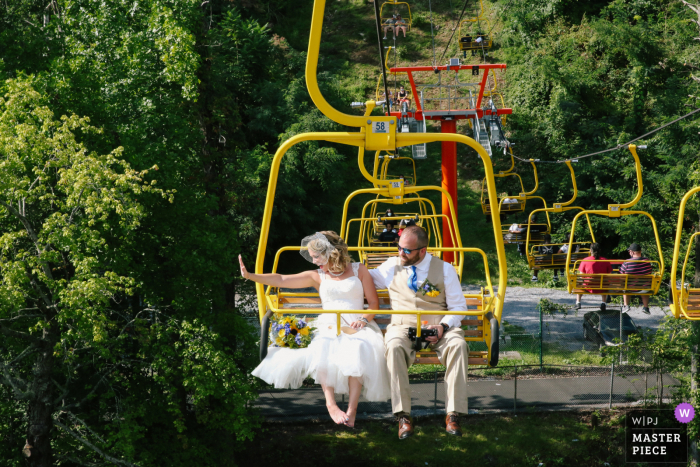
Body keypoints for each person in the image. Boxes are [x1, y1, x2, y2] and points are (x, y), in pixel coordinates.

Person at [241, 231, 390, 427]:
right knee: (323, 348)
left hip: (356, 324)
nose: (313, 261)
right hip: (329, 324)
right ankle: (331, 405)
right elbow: (282, 279)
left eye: (316, 256)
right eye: (312, 257)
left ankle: (352, 410)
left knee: (359, 349)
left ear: (330, 252)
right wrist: (251, 276)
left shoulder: (359, 269)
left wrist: (363, 319)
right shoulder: (317, 276)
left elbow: (373, 303)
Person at [369, 225, 469, 439]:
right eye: (399, 248)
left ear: (422, 251)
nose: (400, 253)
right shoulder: (391, 266)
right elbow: (362, 277)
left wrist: (443, 326)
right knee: (394, 346)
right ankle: (402, 415)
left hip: (437, 324)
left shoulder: (444, 269)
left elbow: (459, 307)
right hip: (403, 325)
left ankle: (453, 413)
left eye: (407, 250)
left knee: (458, 345)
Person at [575, 243, 612, 310]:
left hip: (589, 286)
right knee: (605, 283)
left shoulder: (585, 260)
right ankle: (603, 303)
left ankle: (578, 302)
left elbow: (581, 276)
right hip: (602, 286)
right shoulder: (605, 261)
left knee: (579, 284)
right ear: (600, 250)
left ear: (590, 250)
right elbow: (609, 275)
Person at [620, 243, 653, 315]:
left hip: (630, 287)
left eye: (629, 251)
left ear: (632, 252)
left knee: (625, 285)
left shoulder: (627, 262)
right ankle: (646, 307)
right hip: (643, 288)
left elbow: (621, 272)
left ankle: (626, 305)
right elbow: (649, 271)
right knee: (645, 286)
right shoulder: (646, 261)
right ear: (640, 251)